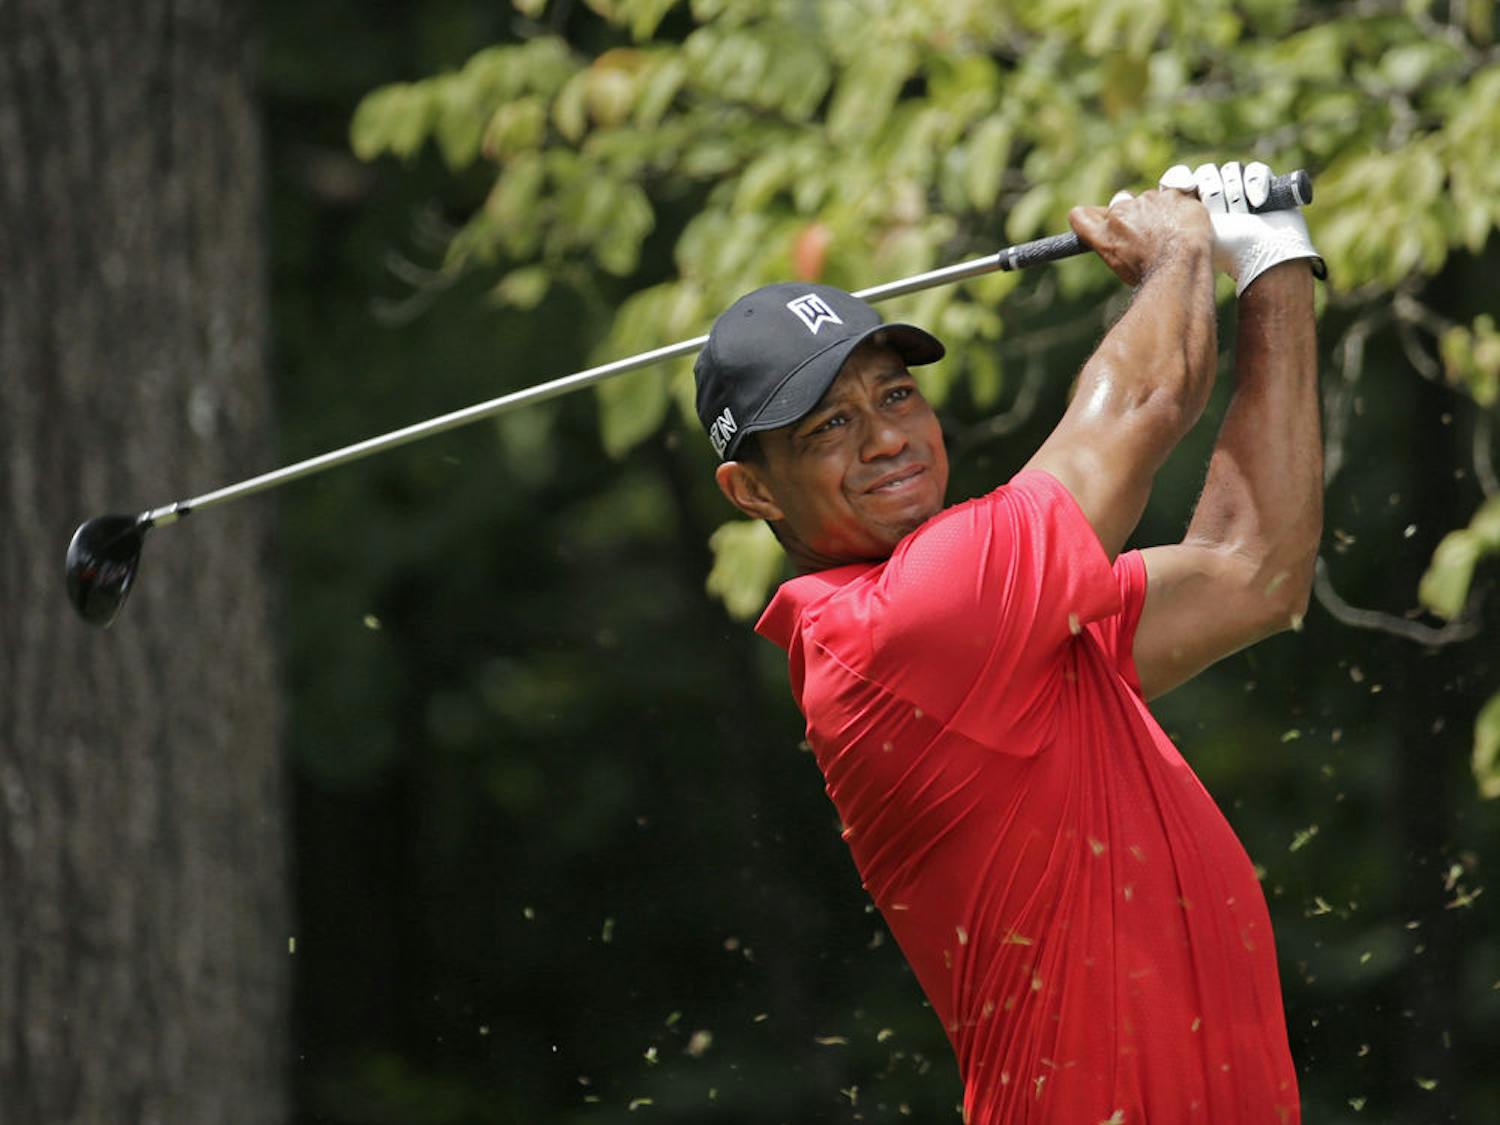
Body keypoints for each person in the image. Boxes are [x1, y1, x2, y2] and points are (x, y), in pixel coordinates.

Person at [693, 161, 1323, 1124]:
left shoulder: (1016, 628)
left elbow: (1254, 569)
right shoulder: (899, 630)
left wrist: (1272, 266)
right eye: (830, 425)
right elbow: (1145, 402)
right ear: (754, 491)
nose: (885, 439)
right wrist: (1182, 245)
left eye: (895, 396)